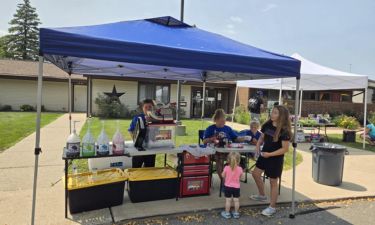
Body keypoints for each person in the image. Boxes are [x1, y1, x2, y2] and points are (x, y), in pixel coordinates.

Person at [250, 105, 292, 217]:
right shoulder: (267, 124)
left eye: (275, 113)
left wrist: (270, 154)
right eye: (272, 112)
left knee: (273, 183)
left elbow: (285, 149)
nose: (272, 114)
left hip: (275, 159)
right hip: (264, 155)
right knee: (255, 174)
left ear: (281, 116)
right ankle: (262, 195)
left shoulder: (284, 131)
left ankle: (272, 207)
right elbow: (262, 137)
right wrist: (258, 144)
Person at [203, 109, 245, 179]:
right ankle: (223, 181)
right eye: (221, 121)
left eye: (224, 120)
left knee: (236, 157)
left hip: (228, 150)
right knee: (219, 159)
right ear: (215, 120)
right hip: (215, 151)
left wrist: (241, 139)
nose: (223, 122)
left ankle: (232, 178)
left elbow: (235, 138)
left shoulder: (228, 128)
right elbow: (204, 141)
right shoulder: (210, 129)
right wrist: (211, 139)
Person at [128, 99, 156, 168]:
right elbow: (131, 130)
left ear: (153, 108)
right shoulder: (137, 118)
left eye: (150, 107)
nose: (148, 109)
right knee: (136, 168)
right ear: (142, 108)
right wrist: (135, 140)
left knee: (149, 169)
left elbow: (159, 131)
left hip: (151, 147)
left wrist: (153, 122)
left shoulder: (156, 118)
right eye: (146, 107)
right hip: (139, 148)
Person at [221, 152, 243, 219]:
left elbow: (222, 175)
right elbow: (241, 177)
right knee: (236, 200)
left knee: (228, 200)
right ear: (239, 160)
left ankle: (227, 213)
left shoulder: (226, 168)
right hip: (236, 187)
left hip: (228, 187)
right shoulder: (240, 169)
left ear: (228, 160)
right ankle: (236, 213)